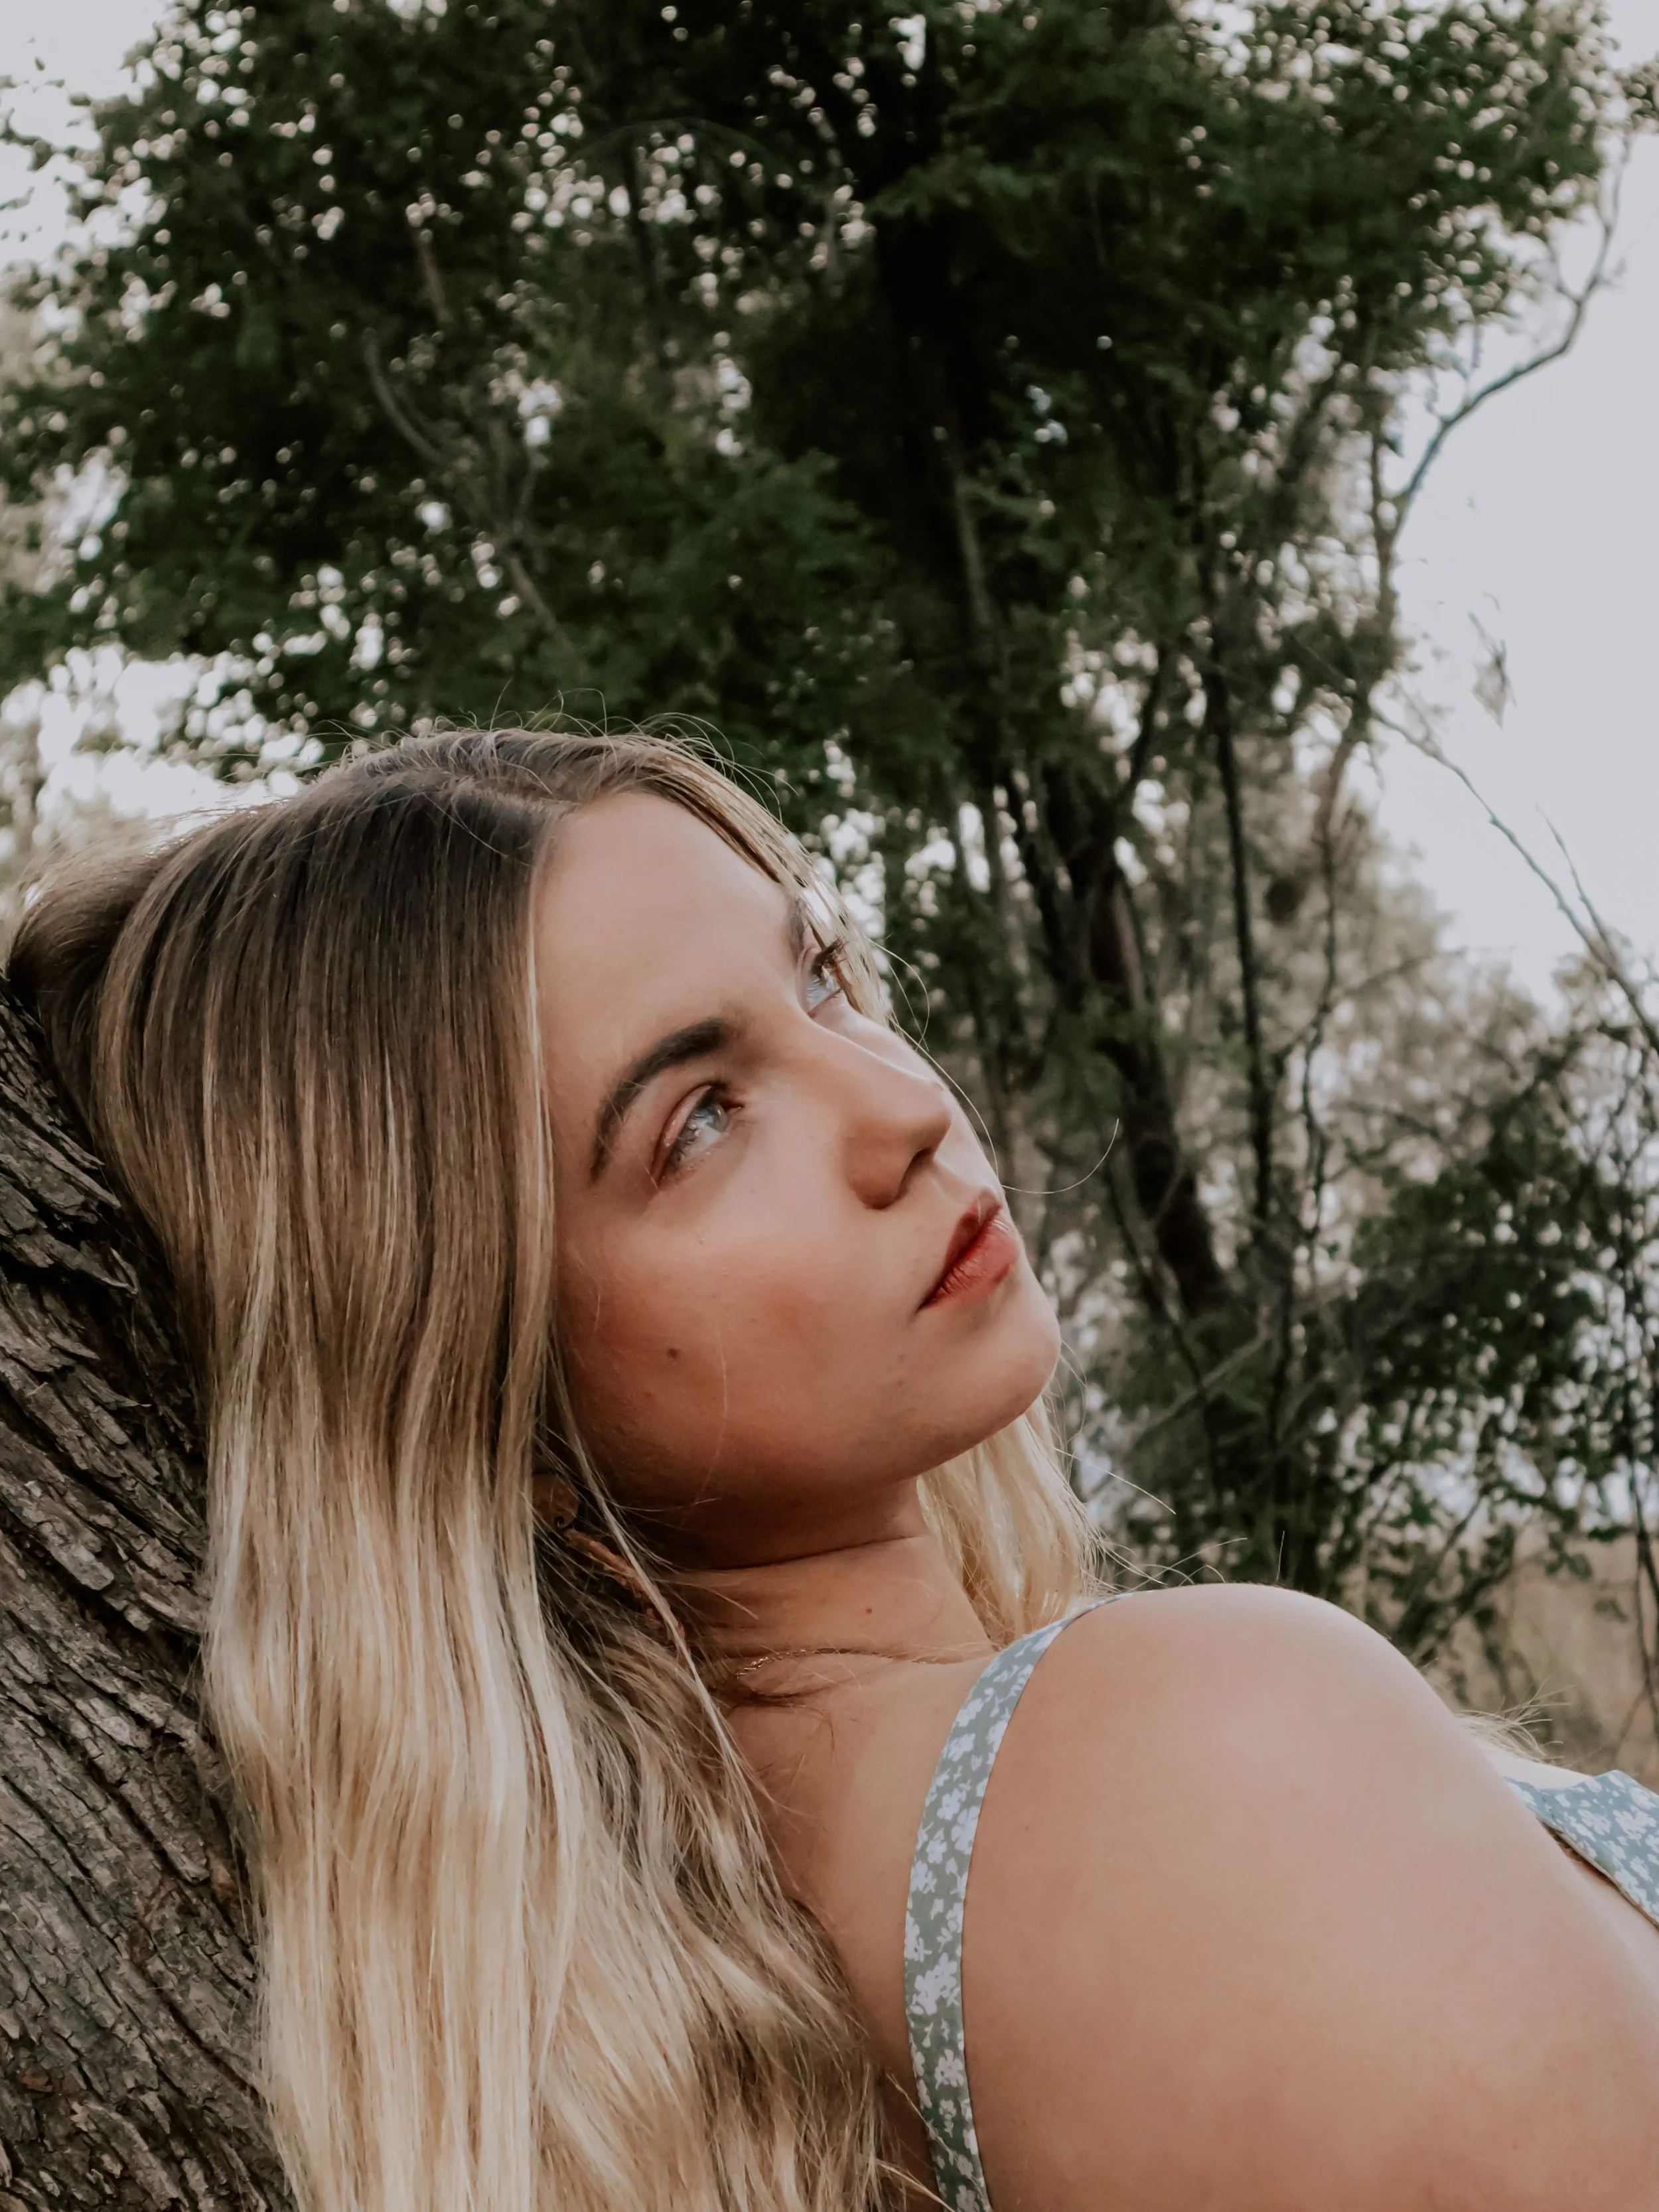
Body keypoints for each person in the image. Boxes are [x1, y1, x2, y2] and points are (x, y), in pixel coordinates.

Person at [9, 726, 1658, 2212]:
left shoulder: (730, 2017)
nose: (898, 1105)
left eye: (820, 980)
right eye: (698, 1120)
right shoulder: (1193, 1766)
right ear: (489, 1420)